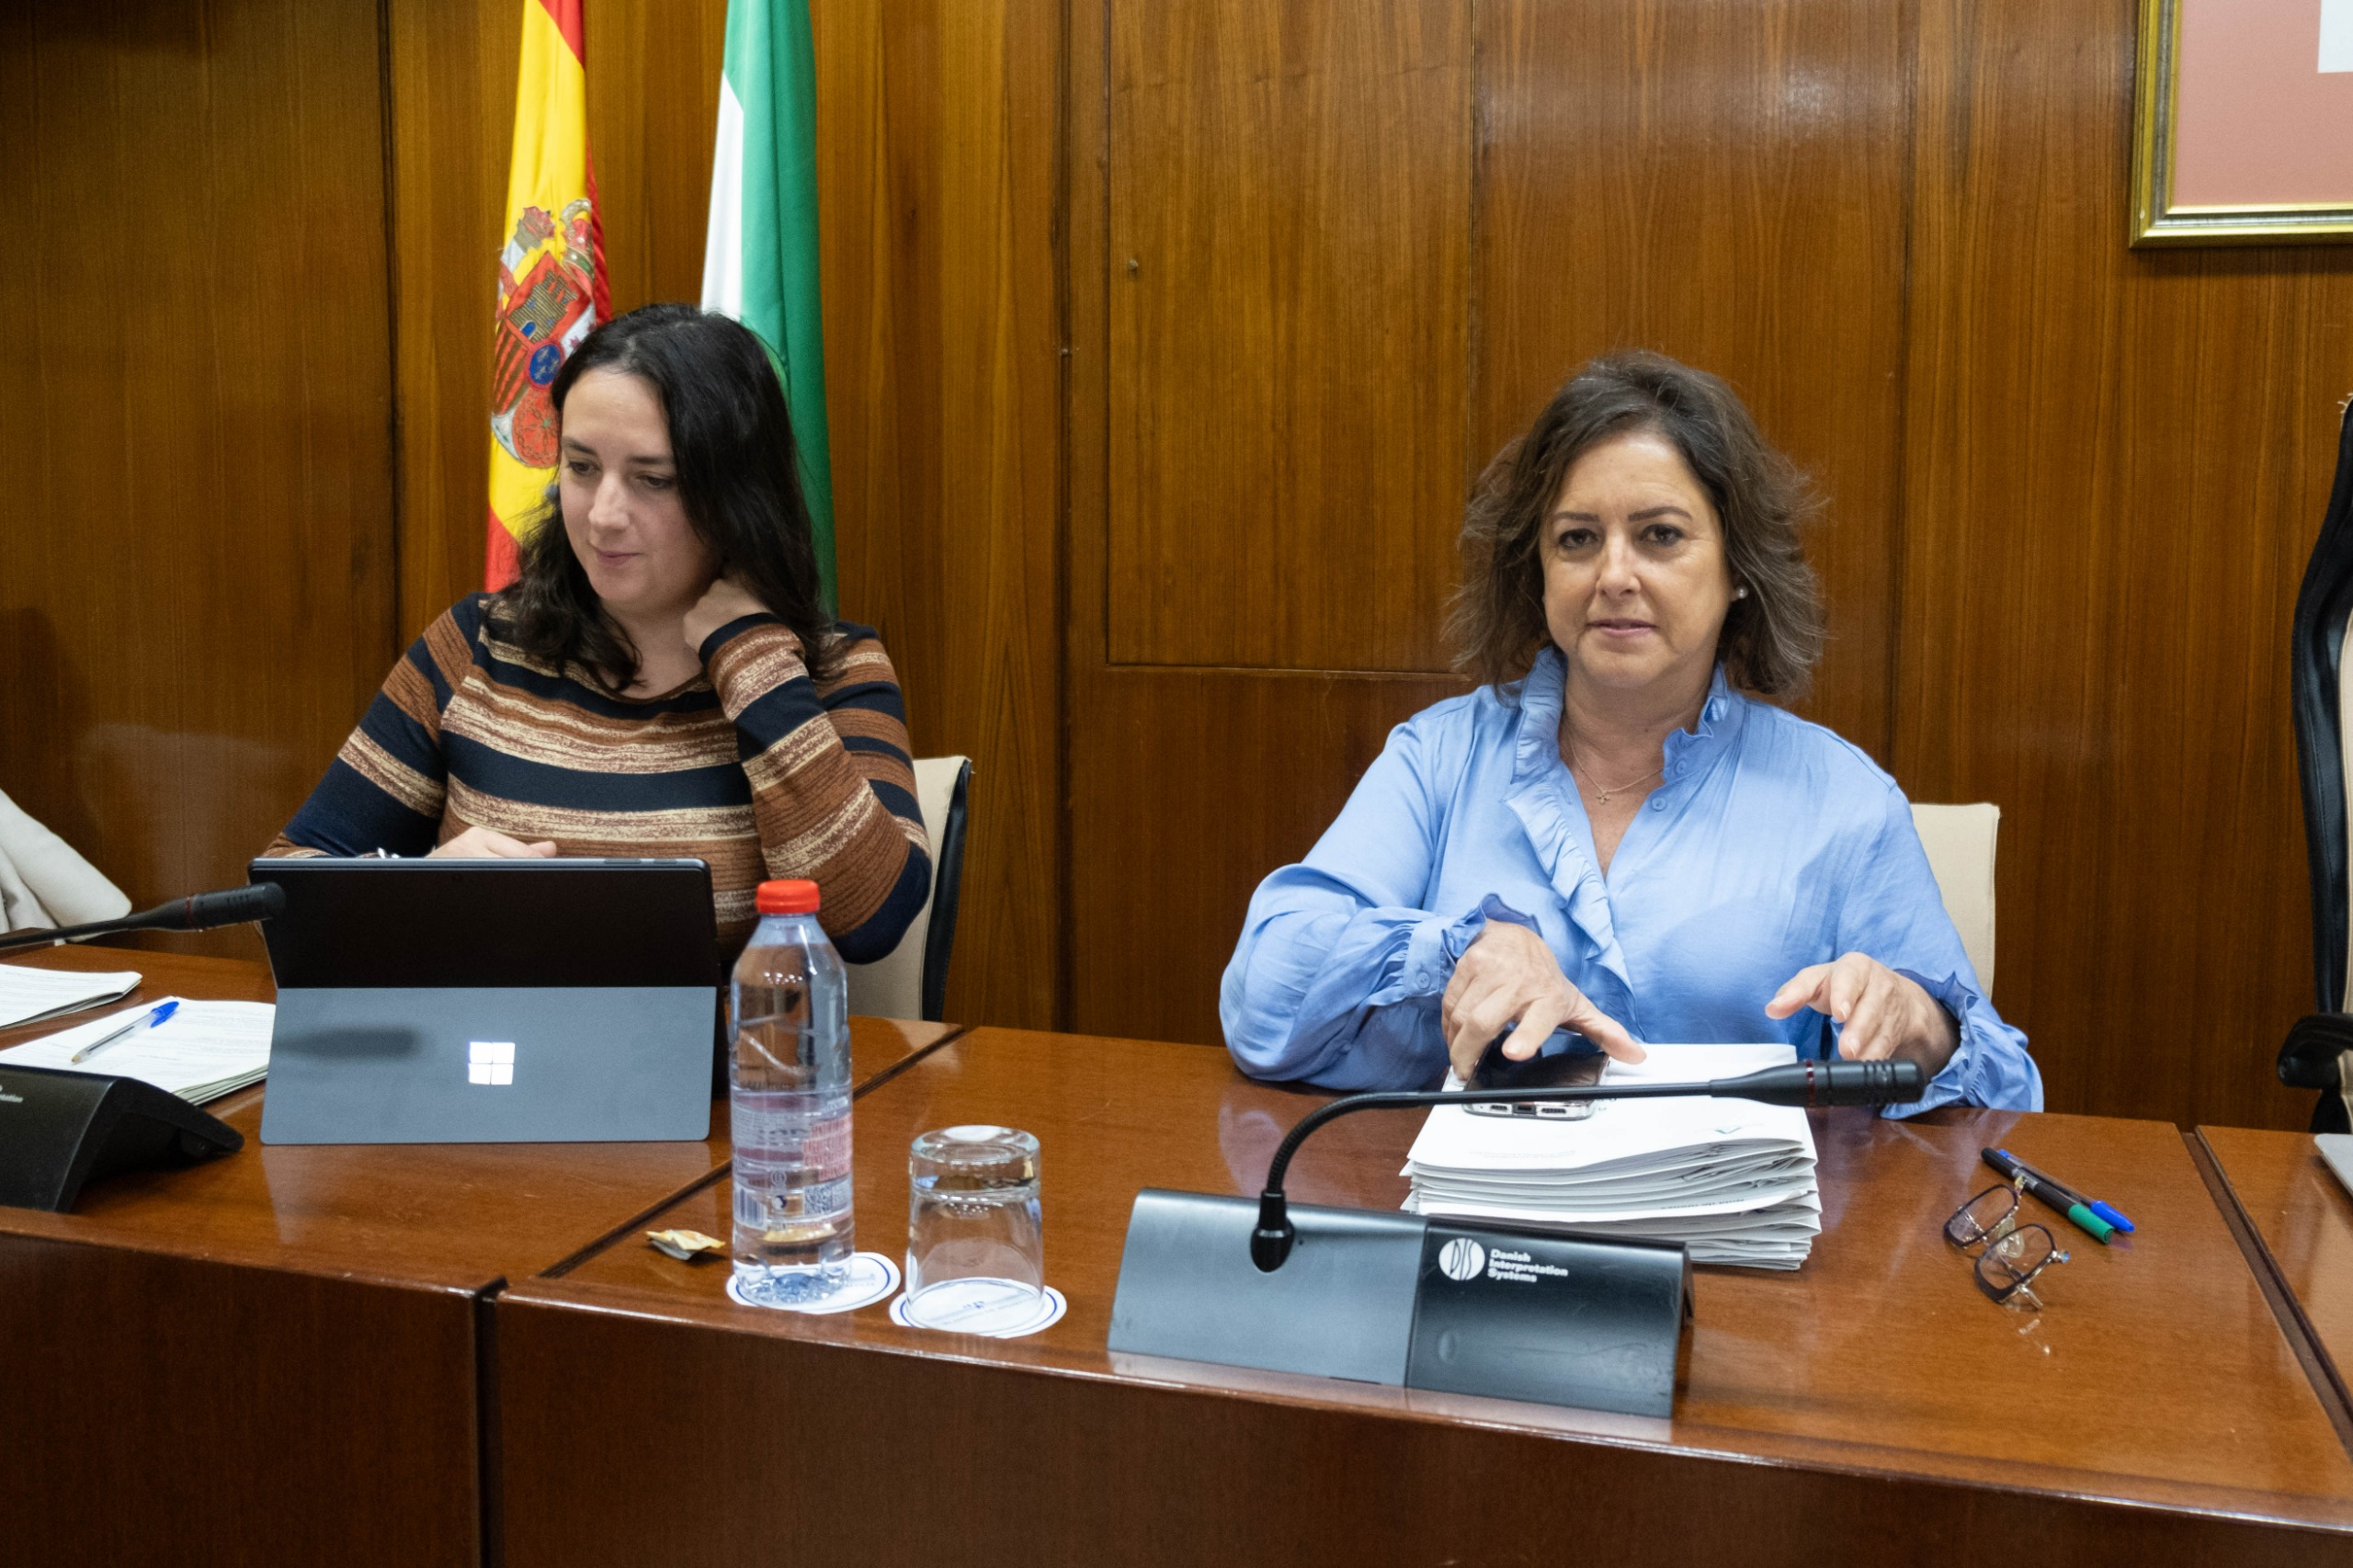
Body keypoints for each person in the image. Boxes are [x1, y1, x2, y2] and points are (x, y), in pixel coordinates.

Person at [1220, 352, 2040, 1114]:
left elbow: (2009, 1097)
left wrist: (1925, 1027)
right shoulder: (1440, 758)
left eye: (1661, 536)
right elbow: (1263, 999)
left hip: (1742, 1248)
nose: (1614, 576)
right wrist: (1459, 954)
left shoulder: (1843, 801)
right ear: (1537, 572)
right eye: (1577, 539)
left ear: (1739, 571)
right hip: (1475, 1227)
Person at [266, 303, 931, 965]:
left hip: (723, 1062)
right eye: (582, 468)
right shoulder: (479, 645)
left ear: (736, 496)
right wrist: (425, 889)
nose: (604, 515)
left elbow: (868, 922)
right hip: (494, 1058)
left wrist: (753, 661)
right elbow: (284, 887)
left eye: (654, 480)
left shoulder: (832, 669)